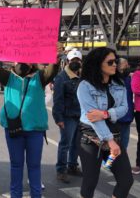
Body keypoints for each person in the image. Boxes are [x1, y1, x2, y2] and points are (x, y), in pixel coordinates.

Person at [0, 36, 59, 197]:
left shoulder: (40, 77)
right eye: (19, 58)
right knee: (16, 165)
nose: (22, 62)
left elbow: (52, 69)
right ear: (13, 62)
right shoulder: (8, 78)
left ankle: (36, 195)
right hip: (14, 129)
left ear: (32, 62)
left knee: (34, 166)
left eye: (26, 59)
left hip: (35, 130)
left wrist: (56, 53)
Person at [77, 47, 133, 198]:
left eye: (115, 61)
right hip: (90, 139)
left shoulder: (119, 83)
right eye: (110, 62)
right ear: (98, 64)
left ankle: (107, 160)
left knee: (126, 180)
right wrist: (110, 140)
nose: (115, 64)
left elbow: (124, 109)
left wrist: (105, 113)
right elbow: (92, 118)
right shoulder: (85, 86)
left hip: (114, 136)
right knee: (90, 182)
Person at [53, 49, 83, 183]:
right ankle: (61, 170)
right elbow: (57, 99)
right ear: (68, 61)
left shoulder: (83, 77)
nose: (75, 62)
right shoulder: (61, 77)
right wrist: (58, 118)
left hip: (80, 116)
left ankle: (72, 166)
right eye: (73, 60)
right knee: (65, 144)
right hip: (67, 116)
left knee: (76, 144)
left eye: (78, 60)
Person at [116, 58, 134, 149]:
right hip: (116, 118)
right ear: (118, 66)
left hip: (127, 118)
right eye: (125, 65)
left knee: (123, 146)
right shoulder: (113, 80)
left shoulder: (129, 79)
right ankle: (110, 163)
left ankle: (121, 162)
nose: (128, 67)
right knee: (114, 146)